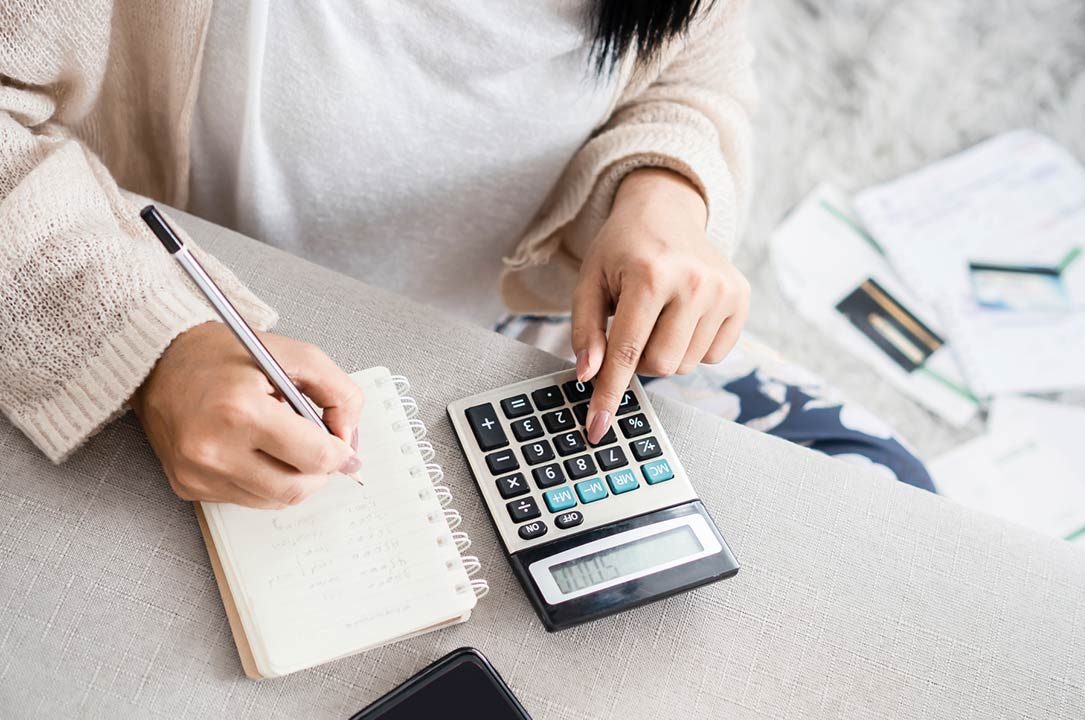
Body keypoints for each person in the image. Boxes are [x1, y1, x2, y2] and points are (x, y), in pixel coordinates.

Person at [1, 0, 932, 510]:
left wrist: (663, 191)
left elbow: (694, 71)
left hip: (512, 331)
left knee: (884, 490)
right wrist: (158, 350)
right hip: (172, 319)